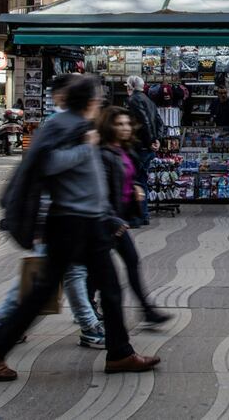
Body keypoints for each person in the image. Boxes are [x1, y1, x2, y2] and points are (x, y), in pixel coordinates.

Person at [0, 75, 160, 381]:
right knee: (42, 292)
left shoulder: (80, 126)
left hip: (91, 222)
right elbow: (46, 164)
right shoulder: (65, 126)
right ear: (90, 102)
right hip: (70, 222)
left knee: (111, 290)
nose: (101, 103)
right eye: (99, 98)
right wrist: (85, 148)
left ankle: (120, 353)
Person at [0, 73, 107, 350]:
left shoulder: (71, 124)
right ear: (62, 96)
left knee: (58, 275)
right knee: (59, 276)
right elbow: (45, 168)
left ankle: (6, 323)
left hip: (72, 217)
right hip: (57, 216)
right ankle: (88, 327)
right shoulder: (60, 125)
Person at [97, 106, 171, 327]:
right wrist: (112, 218)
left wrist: (137, 187)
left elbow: (129, 178)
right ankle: (91, 312)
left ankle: (147, 310)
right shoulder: (103, 154)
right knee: (97, 273)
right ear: (109, 126)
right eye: (119, 124)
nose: (125, 128)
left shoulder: (123, 150)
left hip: (118, 220)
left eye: (127, 123)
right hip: (107, 222)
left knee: (129, 261)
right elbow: (100, 191)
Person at [125, 75, 163, 227]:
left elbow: (144, 122)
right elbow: (159, 121)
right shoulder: (149, 100)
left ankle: (138, 216)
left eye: (127, 86)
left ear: (131, 87)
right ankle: (143, 214)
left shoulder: (134, 100)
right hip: (147, 147)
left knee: (135, 181)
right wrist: (157, 140)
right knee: (142, 180)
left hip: (140, 146)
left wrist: (150, 142)